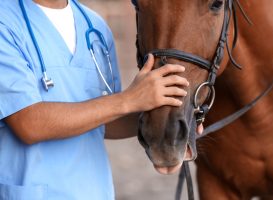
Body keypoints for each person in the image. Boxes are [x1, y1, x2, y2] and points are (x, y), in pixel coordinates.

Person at [0, 0, 203, 199]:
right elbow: (28, 123)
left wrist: (167, 120)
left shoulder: (94, 26)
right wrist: (129, 99)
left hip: (95, 191)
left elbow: (106, 121)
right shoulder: (5, 21)